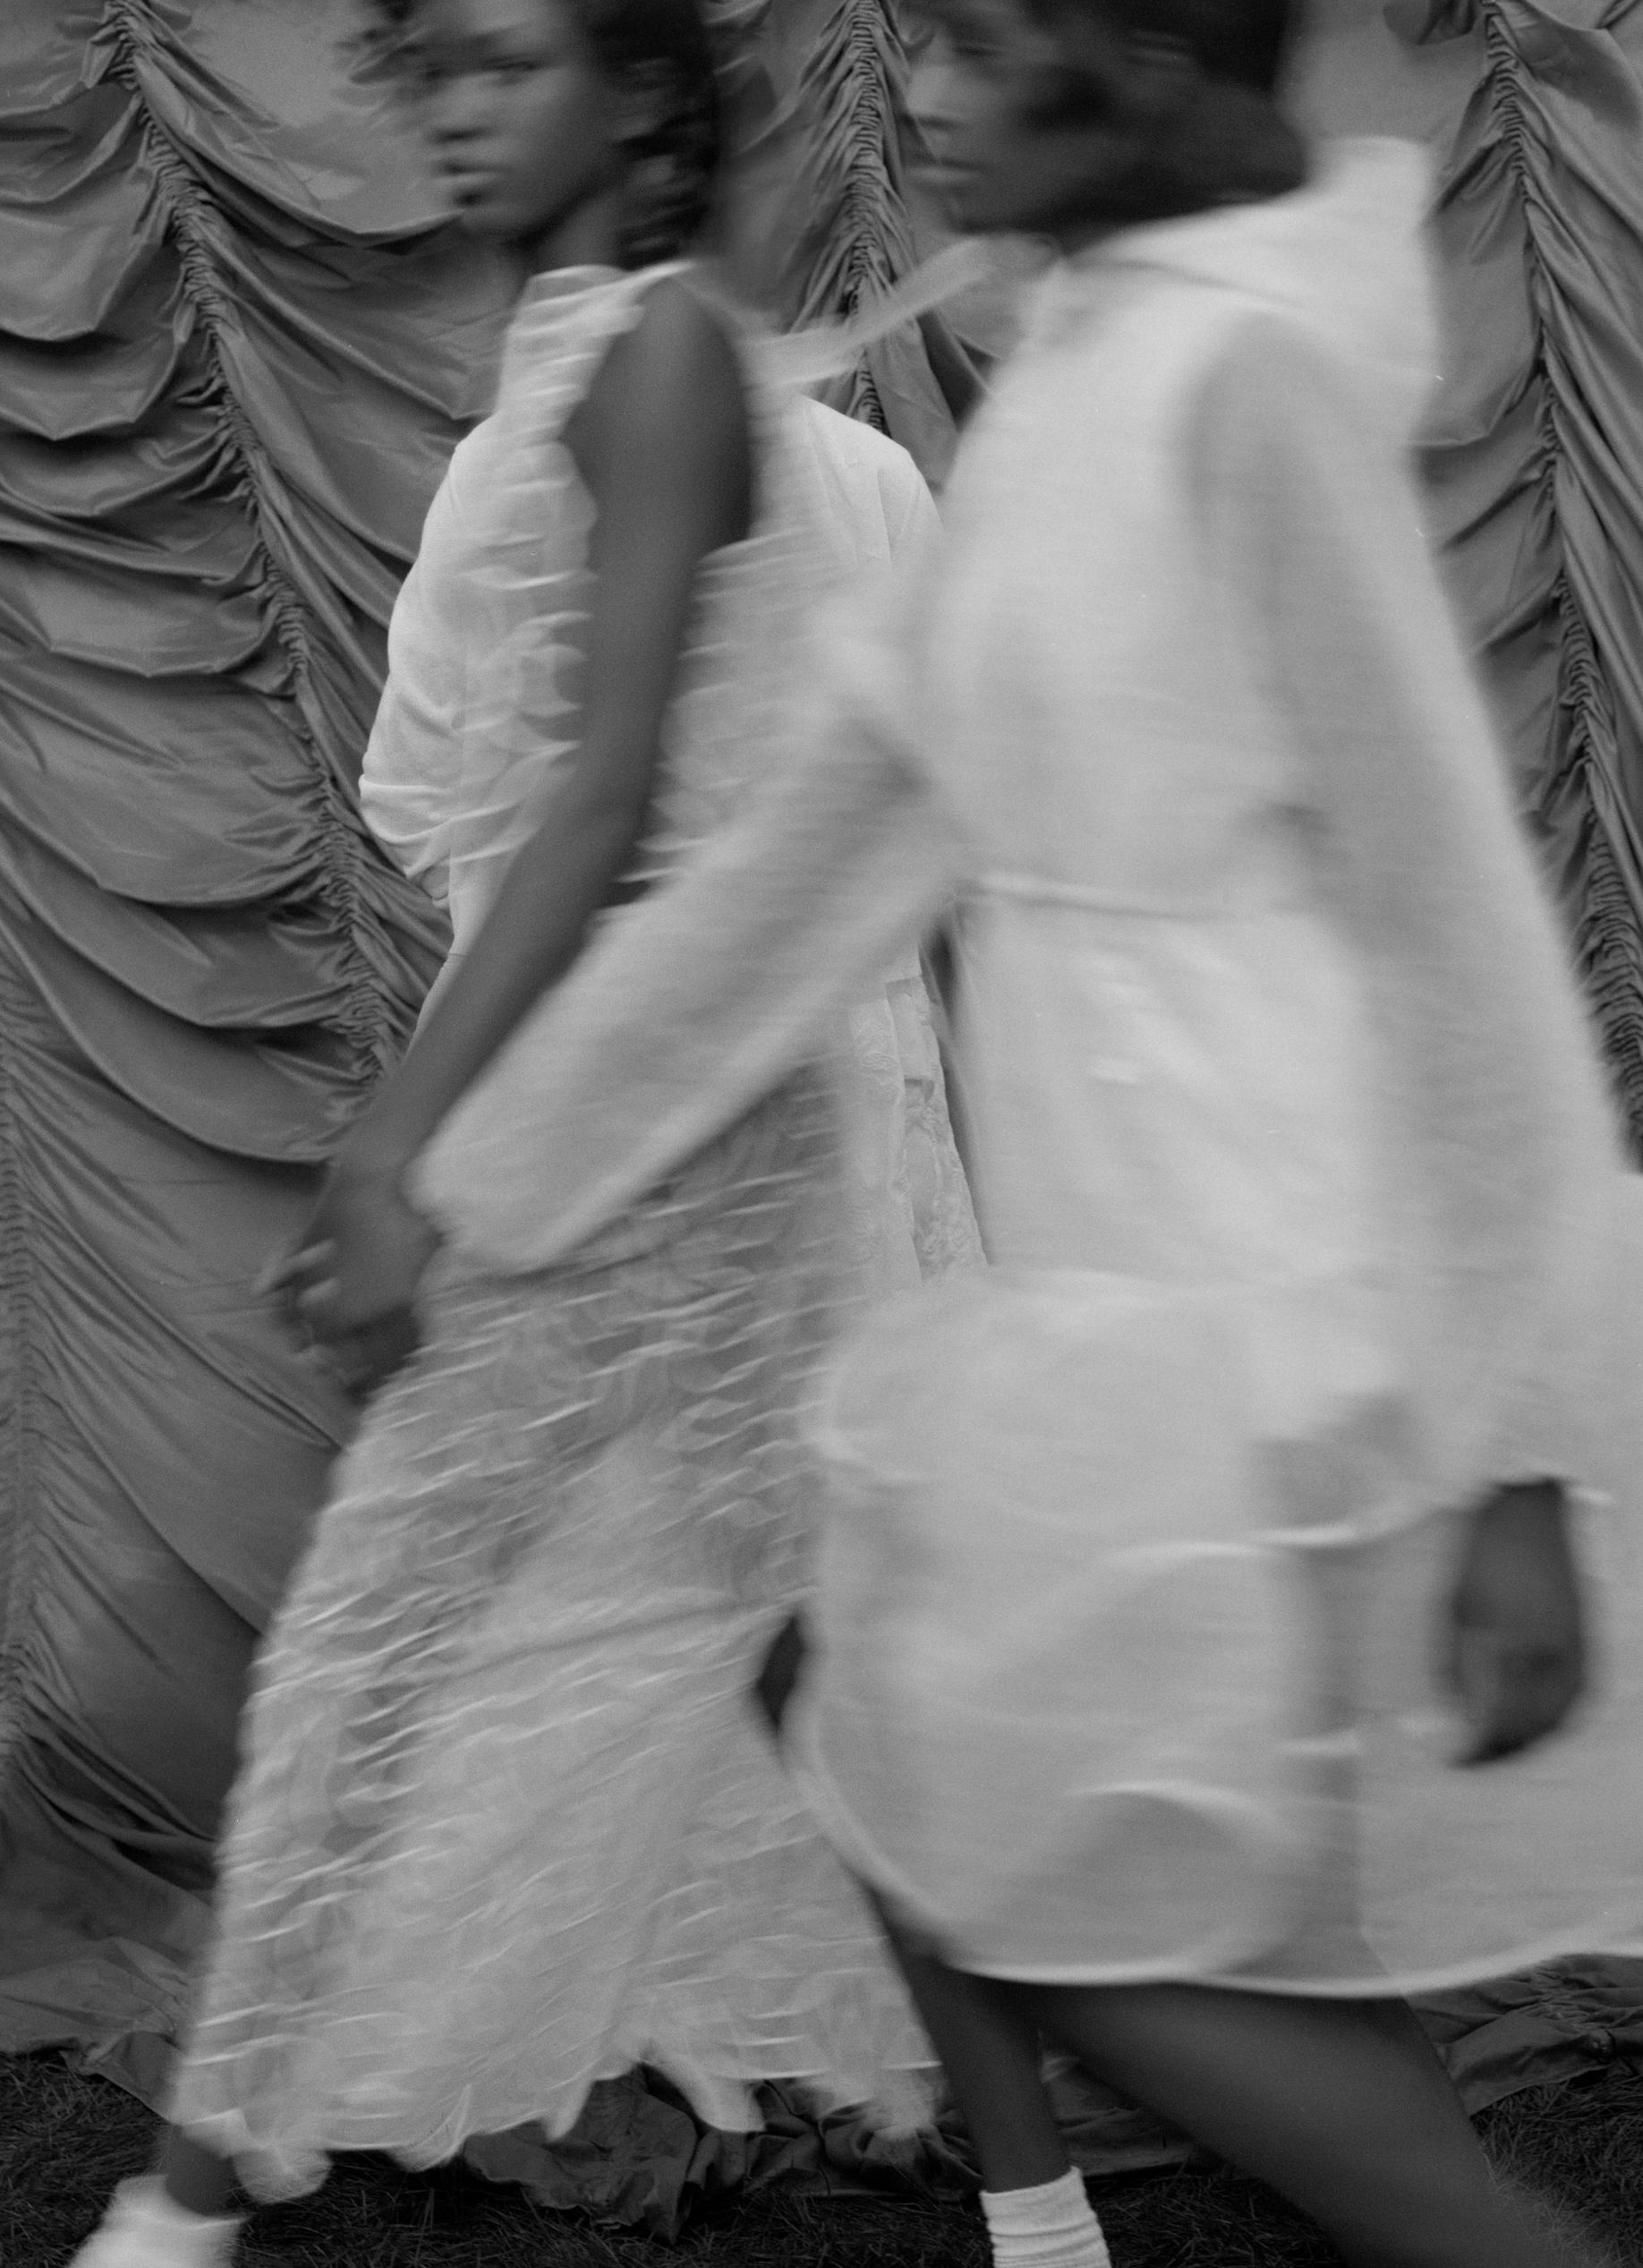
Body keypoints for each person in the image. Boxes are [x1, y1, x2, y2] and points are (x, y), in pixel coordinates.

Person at [373, 4, 1643, 2264]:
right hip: (1111, 1245)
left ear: (1141, 67)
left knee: (1038, 1873)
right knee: (1202, 1902)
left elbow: (1451, 921)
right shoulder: (1073, 372)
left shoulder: (1235, 379)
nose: (924, 99)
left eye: (980, 44)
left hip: (1264, 1250)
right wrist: (468, 1170)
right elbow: (833, 837)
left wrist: (1518, 1454)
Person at [66, 3, 990, 2260]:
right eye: (436, 71)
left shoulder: (651, 359)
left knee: (371, 1657)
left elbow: (589, 809)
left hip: (643, 1129)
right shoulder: (616, 360)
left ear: (643, 98)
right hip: (684, 1111)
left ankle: (171, 2223)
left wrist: (397, 1147)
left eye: (507, 64)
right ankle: (1042, 2209)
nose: (457, 114)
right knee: (799, 1669)